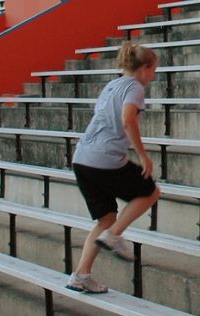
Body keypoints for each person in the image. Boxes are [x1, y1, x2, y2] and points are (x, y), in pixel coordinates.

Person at [66, 41, 163, 294]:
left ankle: (81, 275)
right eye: (153, 70)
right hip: (104, 159)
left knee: (106, 219)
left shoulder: (112, 85)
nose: (153, 76)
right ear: (144, 68)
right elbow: (128, 119)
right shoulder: (134, 88)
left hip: (82, 159)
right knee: (150, 191)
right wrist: (143, 156)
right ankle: (115, 235)